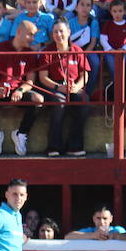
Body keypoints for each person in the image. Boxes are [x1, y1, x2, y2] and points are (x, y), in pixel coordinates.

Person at [0, 20, 43, 157]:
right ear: (19, 32)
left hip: (18, 91)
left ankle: (21, 134)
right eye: (30, 35)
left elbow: (30, 80)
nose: (33, 39)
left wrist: (20, 90)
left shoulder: (30, 53)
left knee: (39, 99)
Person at [36, 19, 90, 156]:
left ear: (69, 32)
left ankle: (74, 146)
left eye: (61, 31)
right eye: (55, 32)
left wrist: (77, 86)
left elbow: (84, 74)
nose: (58, 34)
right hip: (54, 87)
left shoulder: (77, 50)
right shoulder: (47, 51)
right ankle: (54, 146)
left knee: (83, 101)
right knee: (59, 103)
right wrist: (57, 87)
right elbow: (43, 77)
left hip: (74, 86)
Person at [97, 0, 126, 94]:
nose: (117, 14)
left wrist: (124, 49)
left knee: (124, 62)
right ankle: (116, 83)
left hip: (123, 52)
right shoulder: (108, 24)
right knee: (111, 64)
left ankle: (121, 83)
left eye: (120, 11)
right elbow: (103, 38)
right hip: (110, 52)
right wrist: (109, 49)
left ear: (125, 12)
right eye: (114, 11)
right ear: (111, 12)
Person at [65, 0, 101, 96]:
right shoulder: (70, 22)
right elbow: (67, 40)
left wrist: (83, 54)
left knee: (95, 63)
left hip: (88, 50)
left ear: (91, 8)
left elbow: (93, 41)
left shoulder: (93, 22)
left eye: (88, 5)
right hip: (73, 50)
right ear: (76, 7)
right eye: (82, 5)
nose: (84, 8)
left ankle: (88, 91)